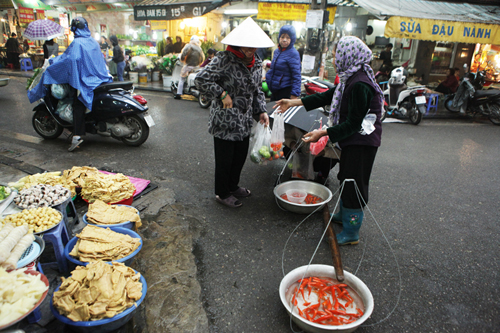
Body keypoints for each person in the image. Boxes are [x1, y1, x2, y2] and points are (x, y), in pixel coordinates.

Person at [274, 36, 383, 245]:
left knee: (354, 183)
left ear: (348, 56)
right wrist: (293, 102)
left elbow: (352, 124)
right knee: (345, 177)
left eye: (336, 56)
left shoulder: (360, 84)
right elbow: (326, 96)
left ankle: (352, 232)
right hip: (352, 141)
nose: (334, 60)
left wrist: (322, 133)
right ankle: (344, 216)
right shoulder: (350, 79)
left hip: (362, 143)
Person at [194, 17, 273, 208]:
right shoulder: (224, 59)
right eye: (245, 47)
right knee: (225, 160)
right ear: (237, 45)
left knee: (239, 157)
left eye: (253, 47)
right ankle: (222, 193)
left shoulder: (255, 63)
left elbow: (256, 90)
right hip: (225, 120)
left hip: (244, 121)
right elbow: (200, 80)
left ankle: (233, 186)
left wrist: (261, 110)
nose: (249, 51)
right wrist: (221, 94)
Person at [27, 17, 112, 152]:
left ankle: (77, 135)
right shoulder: (93, 42)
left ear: (74, 29)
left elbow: (70, 60)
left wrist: (53, 66)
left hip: (85, 80)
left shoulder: (77, 43)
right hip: (100, 78)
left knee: (77, 103)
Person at [265, 25, 301, 101]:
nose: (284, 40)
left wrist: (294, 94)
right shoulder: (277, 51)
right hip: (275, 91)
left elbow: (296, 75)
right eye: (282, 37)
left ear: (292, 39)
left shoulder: (293, 53)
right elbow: (276, 67)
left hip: (285, 91)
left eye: (288, 37)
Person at [175, 35, 204, 99]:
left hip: (188, 65)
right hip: (196, 67)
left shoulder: (188, 46)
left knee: (182, 79)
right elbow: (202, 58)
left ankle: (178, 93)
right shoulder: (199, 48)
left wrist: (181, 59)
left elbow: (183, 55)